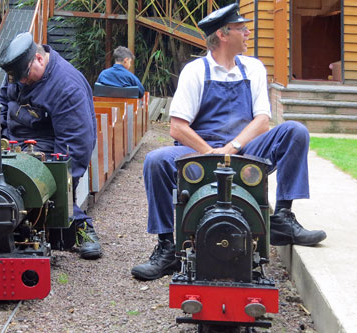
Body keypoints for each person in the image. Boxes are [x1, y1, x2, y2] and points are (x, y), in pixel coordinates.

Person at [131, 3, 327, 281]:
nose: (248, 33)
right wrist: (211, 153)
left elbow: (262, 121)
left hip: (244, 149)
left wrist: (232, 148)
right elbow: (177, 128)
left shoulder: (254, 68)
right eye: (241, 28)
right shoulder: (195, 71)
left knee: (295, 131)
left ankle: (282, 218)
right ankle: (168, 248)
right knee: (155, 161)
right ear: (223, 35)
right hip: (201, 151)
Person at [0, 32, 102, 260]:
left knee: (32, 168)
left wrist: (63, 189)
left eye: (25, 76)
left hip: (46, 147)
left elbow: (75, 145)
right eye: (16, 78)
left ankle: (79, 225)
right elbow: (3, 100)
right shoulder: (19, 74)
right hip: (13, 141)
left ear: (38, 58)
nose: (21, 82)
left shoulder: (67, 86)